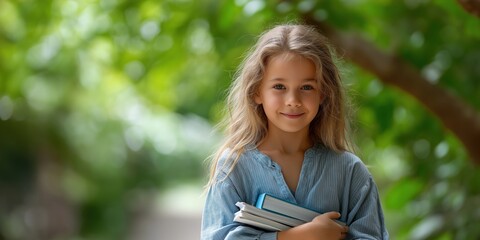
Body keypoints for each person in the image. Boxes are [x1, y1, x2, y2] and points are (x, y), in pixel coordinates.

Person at [201, 24, 389, 240]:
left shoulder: (350, 172)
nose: (293, 101)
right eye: (279, 87)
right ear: (256, 92)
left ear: (324, 93)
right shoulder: (234, 167)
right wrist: (298, 236)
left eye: (307, 87)